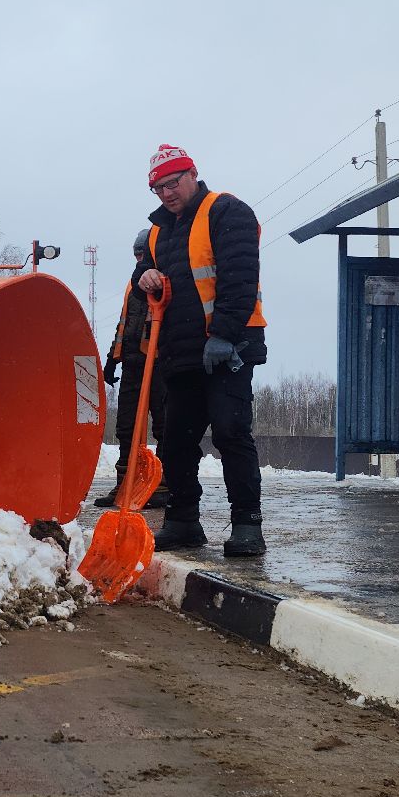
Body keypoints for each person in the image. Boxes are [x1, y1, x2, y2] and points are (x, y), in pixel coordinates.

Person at [132, 144, 269, 557]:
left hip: (230, 347)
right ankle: (183, 522)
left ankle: (247, 524)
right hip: (181, 351)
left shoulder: (226, 212)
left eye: (172, 183)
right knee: (176, 440)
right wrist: (146, 276)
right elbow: (144, 278)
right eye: (158, 189)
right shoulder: (159, 231)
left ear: (192, 174)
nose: (167, 194)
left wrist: (224, 334)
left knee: (230, 432)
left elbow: (240, 276)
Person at [94, 229, 169, 510]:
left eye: (143, 253)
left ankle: (162, 485)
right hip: (133, 363)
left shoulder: (163, 278)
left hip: (160, 362)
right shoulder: (133, 283)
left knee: (163, 426)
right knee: (127, 427)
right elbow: (125, 323)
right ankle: (125, 483)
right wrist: (113, 358)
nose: (139, 258)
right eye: (136, 254)